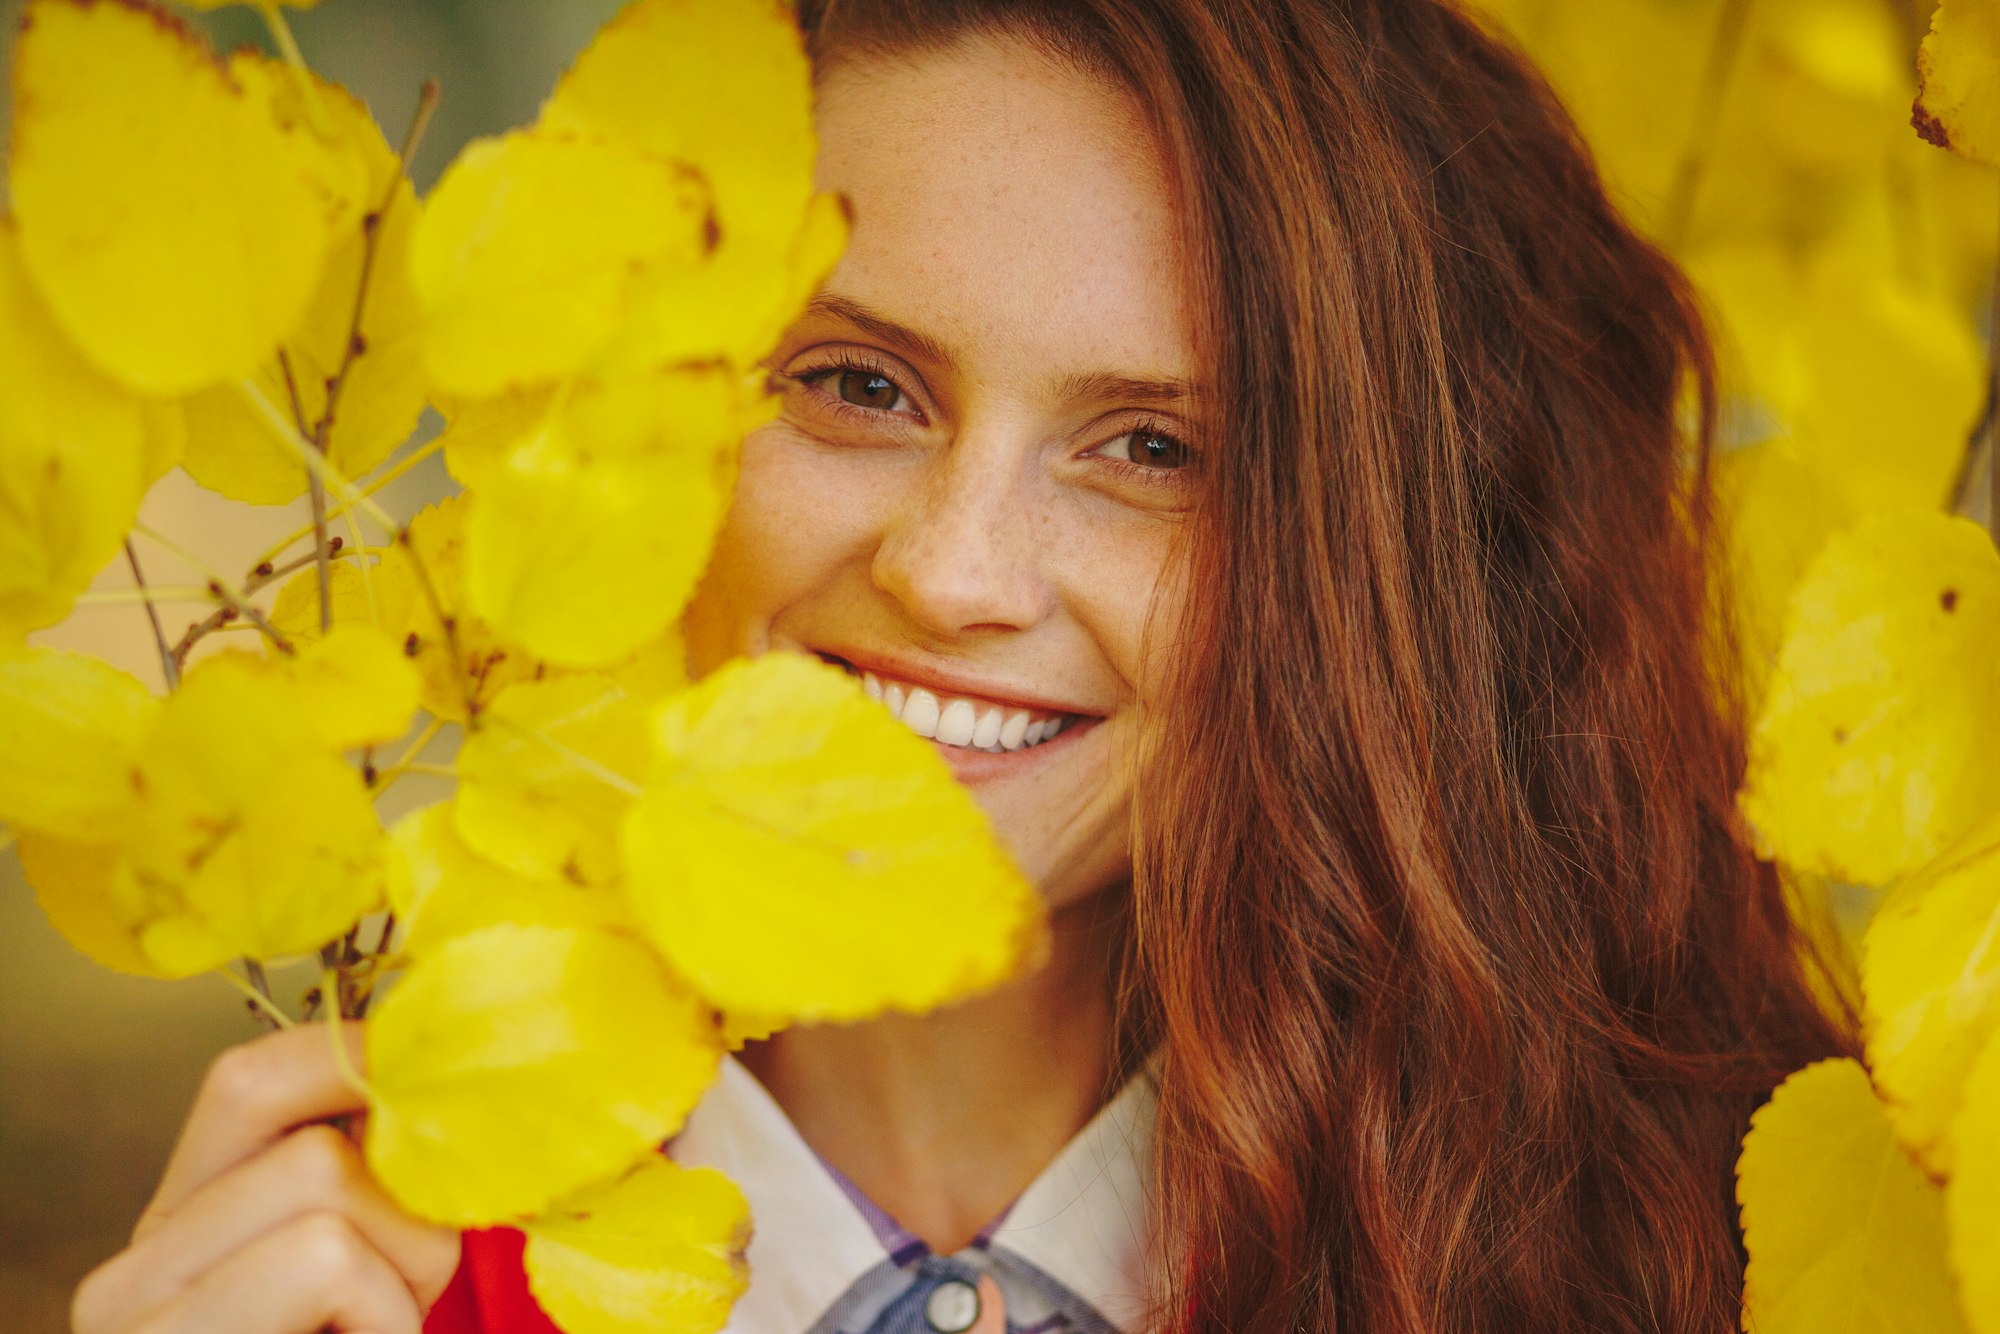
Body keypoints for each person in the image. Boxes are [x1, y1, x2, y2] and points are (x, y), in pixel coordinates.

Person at [69, 1, 1853, 1331]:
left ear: (1390, 557)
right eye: (858, 385)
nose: (951, 570)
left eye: (1153, 446)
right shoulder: (360, 1264)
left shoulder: (1688, 1255)